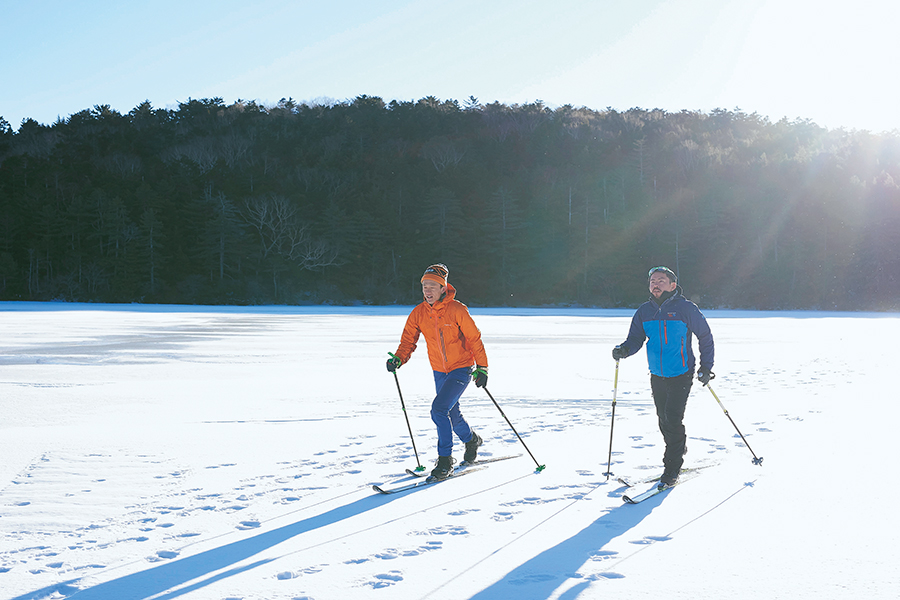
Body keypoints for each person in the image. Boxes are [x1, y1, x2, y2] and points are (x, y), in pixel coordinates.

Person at [612, 266, 715, 488]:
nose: (655, 284)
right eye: (652, 281)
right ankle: (678, 447)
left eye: (660, 280)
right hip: (657, 374)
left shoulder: (686, 308)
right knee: (663, 419)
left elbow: (705, 336)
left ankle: (672, 468)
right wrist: (624, 350)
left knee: (672, 418)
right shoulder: (644, 311)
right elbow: (636, 338)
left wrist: (706, 367)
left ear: (672, 285)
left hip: (681, 372)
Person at [387, 264, 489, 479]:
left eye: (432, 286)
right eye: (425, 286)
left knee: (439, 410)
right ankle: (471, 440)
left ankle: (445, 461)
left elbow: (474, 338)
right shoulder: (419, 313)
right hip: (439, 371)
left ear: (443, 288)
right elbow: (408, 341)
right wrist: (398, 358)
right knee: (451, 413)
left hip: (461, 368)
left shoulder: (457, 310)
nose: (427, 290)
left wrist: (482, 367)